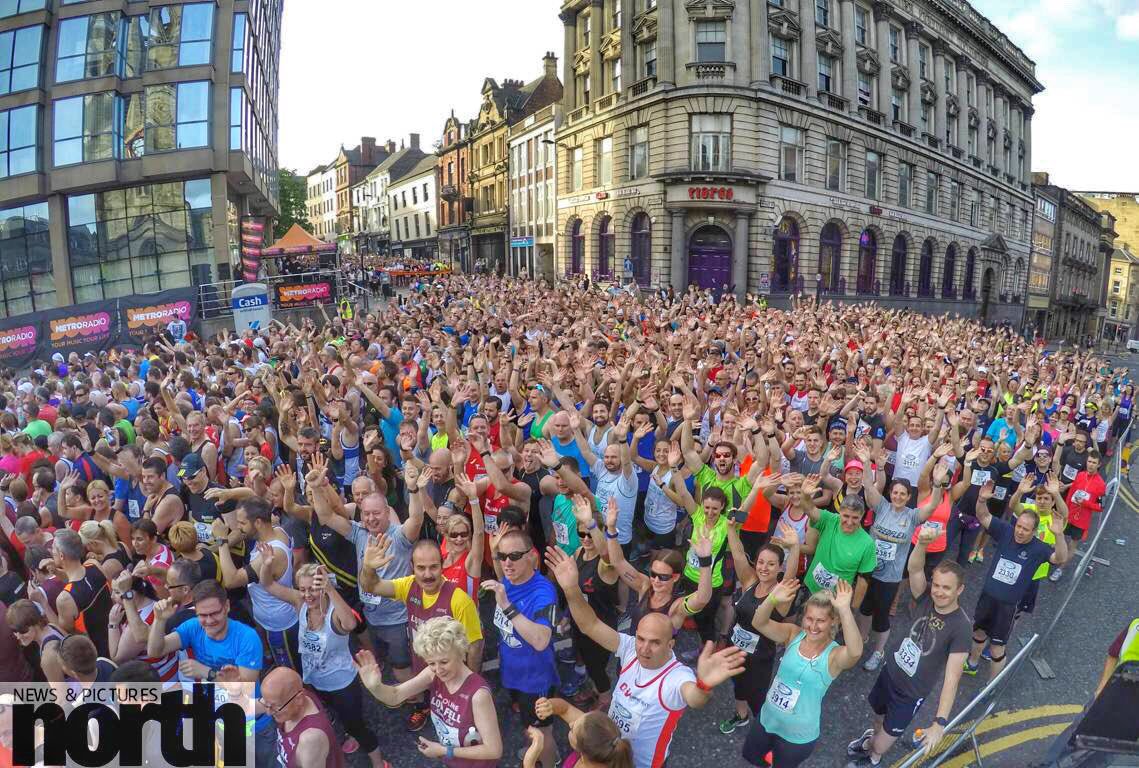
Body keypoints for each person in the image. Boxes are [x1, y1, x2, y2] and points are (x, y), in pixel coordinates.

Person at [547, 545, 746, 768]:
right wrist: (571, 589)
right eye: (641, 639)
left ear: (671, 644)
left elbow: (694, 698)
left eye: (654, 643)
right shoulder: (631, 645)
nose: (644, 648)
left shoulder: (676, 677)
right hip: (609, 756)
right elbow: (590, 625)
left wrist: (704, 684)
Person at [845, 528, 972, 767]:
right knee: (877, 719)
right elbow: (914, 568)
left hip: (910, 693)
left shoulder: (962, 627)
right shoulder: (925, 596)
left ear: (960, 590)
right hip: (890, 674)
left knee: (883, 743)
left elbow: (952, 678)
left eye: (946, 588)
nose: (939, 592)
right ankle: (871, 747)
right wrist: (921, 544)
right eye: (936, 585)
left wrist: (939, 723)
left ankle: (874, 754)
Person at [258, 558, 387, 767]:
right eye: (302, 589)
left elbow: (350, 623)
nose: (307, 595)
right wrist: (267, 563)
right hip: (314, 681)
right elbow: (269, 585)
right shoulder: (301, 604)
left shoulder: (334, 614)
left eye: (313, 589)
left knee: (357, 726)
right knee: (332, 717)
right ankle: (343, 735)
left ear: (323, 589)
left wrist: (330, 590)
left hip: (342, 684)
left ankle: (379, 762)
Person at [145, 580, 277, 767]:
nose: (208, 621)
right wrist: (159, 620)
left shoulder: (247, 637)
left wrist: (206, 671)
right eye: (202, 615)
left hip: (252, 722)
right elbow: (155, 651)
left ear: (227, 607)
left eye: (214, 613)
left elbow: (246, 684)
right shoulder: (193, 627)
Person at [360, 534, 484, 732]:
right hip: (423, 665)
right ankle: (424, 708)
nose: (427, 574)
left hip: (450, 672)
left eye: (433, 567)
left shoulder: (459, 601)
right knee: (426, 697)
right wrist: (368, 566)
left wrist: (468, 686)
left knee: (456, 722)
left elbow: (475, 646)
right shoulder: (409, 585)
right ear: (412, 567)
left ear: (442, 565)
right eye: (421, 568)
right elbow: (371, 586)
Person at [741, 579, 864, 768]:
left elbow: (855, 652)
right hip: (767, 719)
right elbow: (759, 622)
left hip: (796, 736)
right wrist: (772, 598)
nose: (813, 626)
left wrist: (845, 610)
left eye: (821, 620)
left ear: (833, 622)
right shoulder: (793, 634)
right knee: (751, 756)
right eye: (809, 618)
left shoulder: (833, 656)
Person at [355, 616, 503, 767]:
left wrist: (445, 751)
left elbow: (494, 750)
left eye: (444, 662)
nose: (438, 670)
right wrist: (375, 687)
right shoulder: (432, 674)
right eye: (431, 663)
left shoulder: (478, 695)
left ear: (461, 652)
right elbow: (395, 695)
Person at [964, 481, 1069, 680]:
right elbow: (983, 516)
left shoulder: (1039, 548)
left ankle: (991, 686)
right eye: (1019, 526)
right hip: (987, 599)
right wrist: (981, 499)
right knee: (978, 633)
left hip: (1007, 607)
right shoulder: (1006, 531)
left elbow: (1060, 558)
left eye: (1025, 529)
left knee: (996, 647)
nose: (1020, 532)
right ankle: (972, 662)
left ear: (1034, 531)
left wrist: (1059, 535)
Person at [481, 528, 560, 768]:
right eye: (502, 556)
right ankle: (534, 751)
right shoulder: (509, 579)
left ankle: (550, 760)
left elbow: (541, 640)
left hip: (535, 680)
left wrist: (506, 606)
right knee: (530, 727)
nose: (507, 562)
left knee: (542, 732)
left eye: (514, 556)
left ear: (531, 556)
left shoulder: (543, 592)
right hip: (514, 672)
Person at [718, 515, 800, 735]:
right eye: (761, 562)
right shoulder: (749, 580)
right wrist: (732, 529)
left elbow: (791, 575)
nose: (764, 568)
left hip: (759, 659)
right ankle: (741, 716)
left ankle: (764, 732)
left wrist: (795, 548)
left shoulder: (781, 595)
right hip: (734, 648)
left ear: (779, 567)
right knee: (737, 686)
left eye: (771, 564)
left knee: (758, 698)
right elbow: (737, 553)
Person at [262, 665, 346, 768]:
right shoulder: (290, 698)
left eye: (275, 706)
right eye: (266, 704)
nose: (268, 712)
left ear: (299, 699)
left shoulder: (310, 740)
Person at [523, 704, 634, 768]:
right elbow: (566, 709)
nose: (571, 723)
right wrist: (549, 705)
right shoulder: (596, 739)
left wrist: (529, 761)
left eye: (572, 729)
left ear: (582, 749)